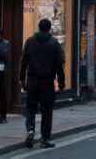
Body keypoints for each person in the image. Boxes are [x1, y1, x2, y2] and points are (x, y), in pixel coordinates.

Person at [20, 19, 65, 149]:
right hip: (47, 81)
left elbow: (24, 62)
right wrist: (61, 82)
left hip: (33, 80)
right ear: (49, 28)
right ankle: (45, 139)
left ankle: (30, 129)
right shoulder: (54, 43)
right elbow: (59, 65)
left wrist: (22, 79)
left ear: (39, 27)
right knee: (46, 111)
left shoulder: (30, 41)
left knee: (31, 107)